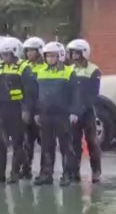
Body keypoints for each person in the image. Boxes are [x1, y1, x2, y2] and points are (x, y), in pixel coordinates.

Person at [0, 37, 36, 184]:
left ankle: (15, 172)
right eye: (2, 55)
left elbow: (30, 91)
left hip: (17, 109)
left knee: (17, 143)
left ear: (15, 54)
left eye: (7, 55)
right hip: (1, 109)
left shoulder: (23, 68)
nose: (4, 58)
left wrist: (26, 110)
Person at [33, 41, 78, 186]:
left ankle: (67, 174)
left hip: (63, 114)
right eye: (48, 56)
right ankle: (46, 174)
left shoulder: (69, 72)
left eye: (53, 56)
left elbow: (76, 94)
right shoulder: (40, 71)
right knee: (46, 145)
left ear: (61, 56)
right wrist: (36, 112)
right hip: (45, 114)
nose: (50, 59)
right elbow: (36, 94)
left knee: (66, 146)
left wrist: (74, 112)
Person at [66, 39, 102, 183]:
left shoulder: (94, 70)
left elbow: (92, 94)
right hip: (71, 113)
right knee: (73, 143)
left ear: (84, 53)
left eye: (77, 52)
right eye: (72, 52)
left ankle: (96, 172)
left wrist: (79, 110)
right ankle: (74, 172)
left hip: (87, 112)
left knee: (92, 142)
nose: (74, 55)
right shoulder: (68, 69)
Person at [20, 37, 46, 180]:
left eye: (32, 50)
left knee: (44, 142)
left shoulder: (45, 66)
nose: (29, 53)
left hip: (41, 108)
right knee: (27, 141)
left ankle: (44, 170)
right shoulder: (24, 66)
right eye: (27, 51)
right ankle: (26, 168)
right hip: (27, 108)